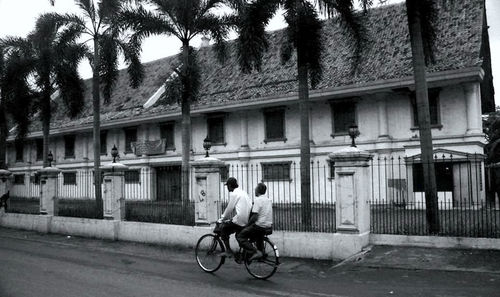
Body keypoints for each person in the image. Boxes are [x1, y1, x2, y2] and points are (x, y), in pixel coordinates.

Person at [237, 183, 273, 261]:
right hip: (268, 226)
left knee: (240, 236)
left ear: (258, 190)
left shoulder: (258, 200)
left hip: (259, 227)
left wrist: (247, 225)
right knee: (256, 237)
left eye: (255, 190)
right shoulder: (268, 200)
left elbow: (254, 217)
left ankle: (255, 252)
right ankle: (260, 253)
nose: (254, 191)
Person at [218, 177, 251, 258]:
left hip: (240, 219)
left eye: (227, 186)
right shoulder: (243, 192)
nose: (227, 188)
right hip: (248, 219)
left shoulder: (234, 194)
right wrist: (231, 219)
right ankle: (245, 253)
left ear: (229, 185)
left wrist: (221, 219)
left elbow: (229, 208)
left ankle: (228, 251)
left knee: (224, 229)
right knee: (238, 235)